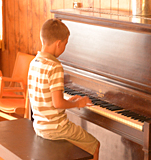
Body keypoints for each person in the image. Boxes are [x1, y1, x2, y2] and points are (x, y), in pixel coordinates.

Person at [28, 18, 100, 160]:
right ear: (58, 43)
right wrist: (77, 104)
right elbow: (58, 104)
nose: (65, 48)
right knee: (94, 145)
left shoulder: (34, 62)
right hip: (56, 129)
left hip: (40, 126)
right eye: (65, 44)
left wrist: (66, 98)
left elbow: (45, 95)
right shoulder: (55, 66)